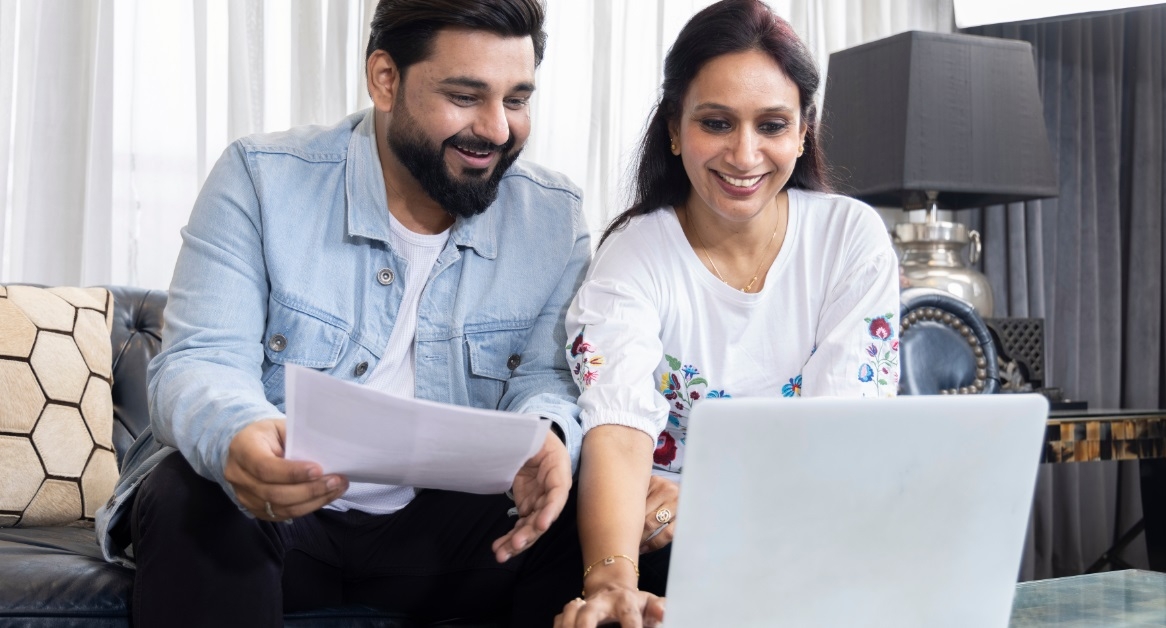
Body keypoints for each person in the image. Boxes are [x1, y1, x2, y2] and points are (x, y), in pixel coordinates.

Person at [94, 1, 592, 625]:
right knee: (193, 491)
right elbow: (201, 360)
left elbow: (548, 380)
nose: (496, 129)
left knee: (584, 503)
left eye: (516, 100)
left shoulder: (554, 217)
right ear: (385, 79)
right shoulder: (262, 178)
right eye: (465, 97)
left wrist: (547, 437)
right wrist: (238, 435)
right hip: (279, 519)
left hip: (444, 537)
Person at [554, 1, 900, 626]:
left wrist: (705, 504)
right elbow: (618, 426)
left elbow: (843, 442)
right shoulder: (633, 254)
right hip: (666, 548)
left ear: (803, 132)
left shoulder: (851, 238)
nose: (744, 154)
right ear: (673, 128)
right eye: (716, 123)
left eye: (772, 125)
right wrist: (611, 583)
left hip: (811, 538)